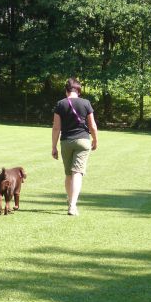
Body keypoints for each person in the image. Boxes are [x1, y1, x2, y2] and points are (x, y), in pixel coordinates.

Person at [52, 78, 98, 216]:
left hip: (66, 142)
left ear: (66, 91)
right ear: (79, 91)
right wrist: (95, 140)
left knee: (68, 174)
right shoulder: (86, 103)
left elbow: (56, 128)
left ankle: (70, 199)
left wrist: (53, 147)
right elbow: (92, 125)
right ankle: (73, 205)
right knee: (77, 173)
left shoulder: (60, 104)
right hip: (83, 141)